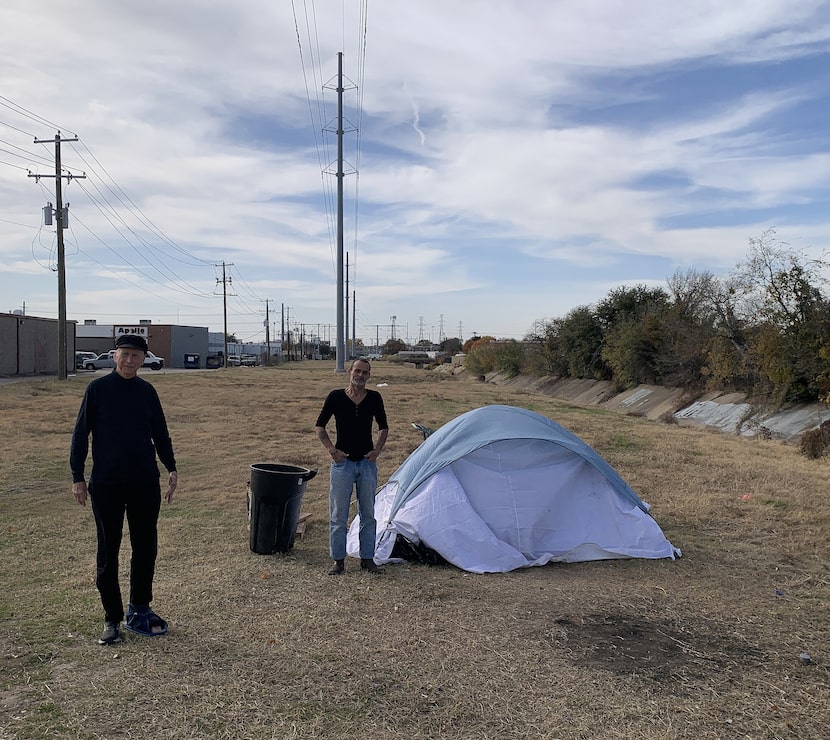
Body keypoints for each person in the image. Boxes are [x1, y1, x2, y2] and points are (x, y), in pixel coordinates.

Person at [70, 333, 178, 645]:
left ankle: (139, 608)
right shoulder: (98, 389)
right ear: (115, 355)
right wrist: (77, 476)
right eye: (124, 354)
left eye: (136, 355)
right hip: (107, 484)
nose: (129, 360)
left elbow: (160, 433)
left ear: (144, 359)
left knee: (146, 548)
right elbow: (80, 434)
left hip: (144, 482)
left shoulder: (147, 391)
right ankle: (112, 618)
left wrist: (171, 468)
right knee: (109, 551)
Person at [315, 358, 389, 575]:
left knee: (368, 514)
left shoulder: (375, 398)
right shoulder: (336, 397)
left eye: (365, 372)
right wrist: (332, 451)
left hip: (366, 465)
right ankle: (338, 560)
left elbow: (384, 427)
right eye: (357, 370)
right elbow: (320, 426)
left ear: (369, 375)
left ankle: (367, 559)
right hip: (342, 465)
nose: (361, 375)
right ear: (350, 371)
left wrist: (377, 452)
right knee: (338, 515)